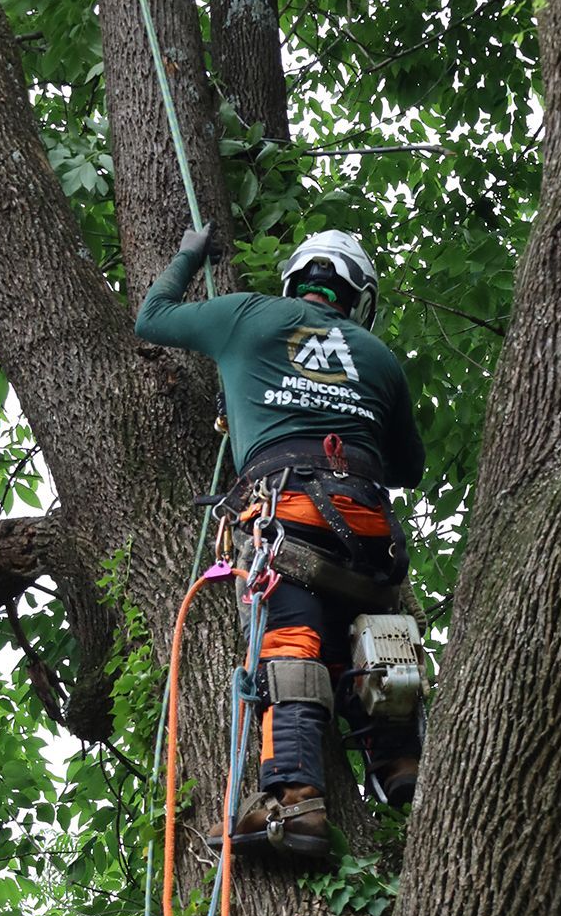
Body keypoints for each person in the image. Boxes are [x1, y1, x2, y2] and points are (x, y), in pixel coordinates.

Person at [135, 225, 426, 858]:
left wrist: (190, 252)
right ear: (357, 296)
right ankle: (401, 762)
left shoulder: (248, 315)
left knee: (290, 643)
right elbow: (408, 468)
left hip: (286, 513)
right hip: (370, 531)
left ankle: (294, 804)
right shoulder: (376, 355)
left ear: (295, 279)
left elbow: (151, 318)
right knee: (373, 642)